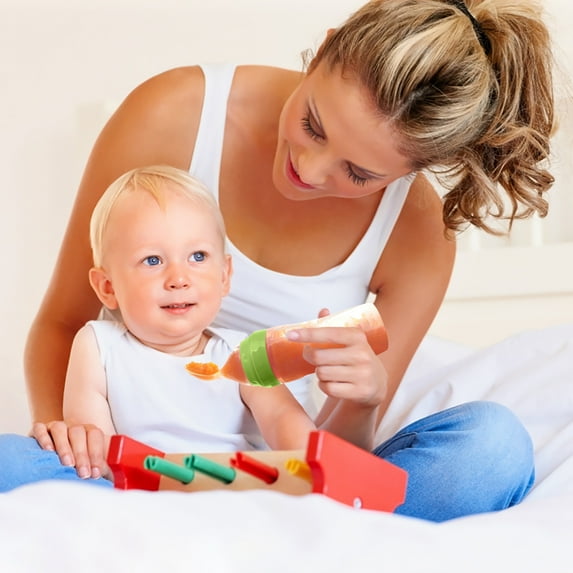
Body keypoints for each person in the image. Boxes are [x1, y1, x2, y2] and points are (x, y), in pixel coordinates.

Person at [20, 0, 553, 520]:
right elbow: (63, 323)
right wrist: (76, 456)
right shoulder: (173, 115)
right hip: (129, 473)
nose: (310, 170)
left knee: (492, 447)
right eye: (314, 125)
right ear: (321, 53)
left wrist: (362, 401)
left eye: (359, 173)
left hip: (279, 483)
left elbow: (330, 464)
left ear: (411, 170)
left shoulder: (416, 232)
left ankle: (278, 540)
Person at [1, 165, 316, 488]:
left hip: (232, 486)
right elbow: (94, 449)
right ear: (108, 287)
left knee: (304, 470)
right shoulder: (97, 344)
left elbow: (282, 418)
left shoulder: (244, 352)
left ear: (224, 275)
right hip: (134, 485)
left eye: (198, 256)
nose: (179, 278)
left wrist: (313, 465)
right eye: (152, 260)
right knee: (9, 457)